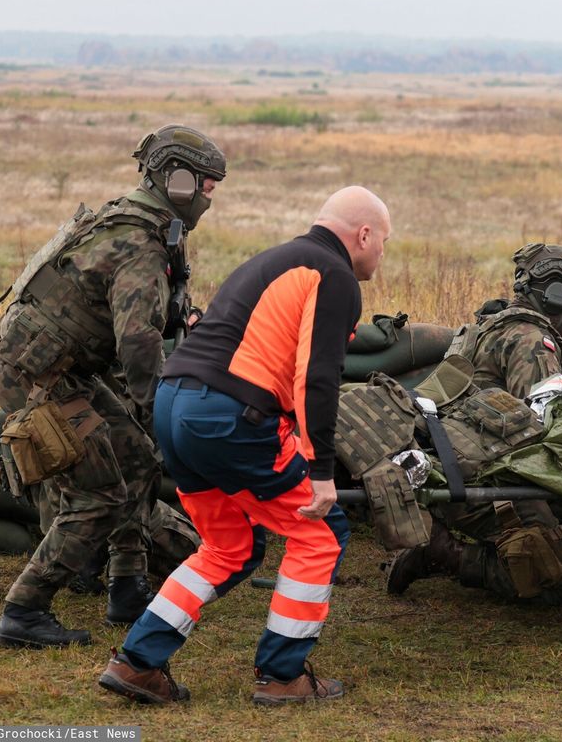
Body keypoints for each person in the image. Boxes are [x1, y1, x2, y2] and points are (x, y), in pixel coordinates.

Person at [98, 186, 391, 706]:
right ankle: (282, 676)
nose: (381, 255)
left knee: (230, 547)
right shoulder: (335, 275)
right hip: (230, 416)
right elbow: (317, 376)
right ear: (363, 234)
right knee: (321, 532)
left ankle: (138, 663)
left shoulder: (275, 259)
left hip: (175, 406)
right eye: (383, 242)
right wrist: (321, 469)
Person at [0, 125, 225, 648]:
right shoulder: (139, 243)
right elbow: (138, 345)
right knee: (100, 491)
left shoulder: (141, 222)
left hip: (67, 371)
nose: (210, 197)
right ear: (178, 181)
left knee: (137, 461)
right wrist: (164, 412)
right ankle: (24, 610)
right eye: (206, 186)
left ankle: (126, 586)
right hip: (40, 379)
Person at [383, 243, 562, 605]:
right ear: (556, 298)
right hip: (480, 482)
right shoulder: (531, 342)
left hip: (444, 467)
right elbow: (543, 430)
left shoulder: (482, 328)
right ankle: (443, 552)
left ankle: (442, 534)